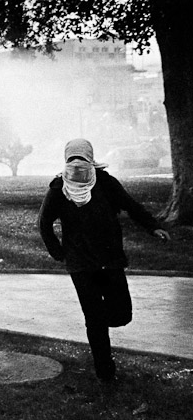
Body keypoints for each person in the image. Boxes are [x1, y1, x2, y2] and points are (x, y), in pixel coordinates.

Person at [38, 139, 170, 381]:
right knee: (94, 319)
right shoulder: (58, 187)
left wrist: (152, 227)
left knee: (122, 314)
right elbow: (44, 222)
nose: (76, 165)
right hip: (81, 264)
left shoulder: (105, 182)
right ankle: (105, 371)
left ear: (90, 158)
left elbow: (130, 205)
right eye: (72, 160)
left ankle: (99, 325)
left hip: (109, 261)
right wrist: (58, 252)